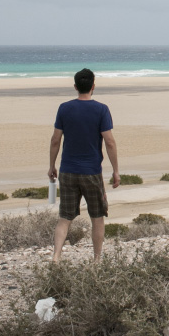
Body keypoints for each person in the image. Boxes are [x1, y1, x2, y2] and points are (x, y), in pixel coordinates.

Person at [49, 68, 120, 262]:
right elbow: (110, 142)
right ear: (93, 86)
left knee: (65, 217)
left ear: (75, 87)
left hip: (68, 170)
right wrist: (116, 171)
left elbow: (55, 140)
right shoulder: (101, 109)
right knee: (97, 217)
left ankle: (56, 257)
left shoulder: (64, 108)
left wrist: (51, 166)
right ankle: (97, 260)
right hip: (91, 172)